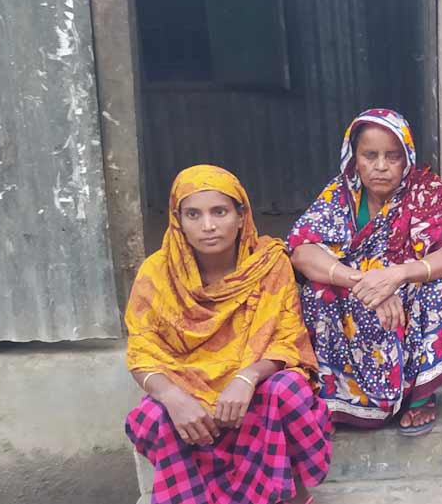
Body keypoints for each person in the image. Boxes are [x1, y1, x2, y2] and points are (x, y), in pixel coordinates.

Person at [125, 165, 331, 504]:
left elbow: (287, 339)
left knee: (287, 390)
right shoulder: (157, 273)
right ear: (178, 221)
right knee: (152, 415)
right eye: (193, 214)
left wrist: (247, 377)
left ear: (241, 216)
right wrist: (173, 397)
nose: (207, 225)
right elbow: (141, 352)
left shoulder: (269, 264)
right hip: (189, 394)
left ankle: (288, 496)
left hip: (253, 393)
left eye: (219, 212)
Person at [288, 108, 442, 434]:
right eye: (370, 155)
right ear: (354, 157)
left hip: (405, 293)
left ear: (407, 158)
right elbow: (301, 251)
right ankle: (342, 401)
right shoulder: (340, 193)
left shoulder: (424, 190)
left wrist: (395, 276)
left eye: (392, 156)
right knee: (315, 293)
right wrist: (364, 283)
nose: (380, 166)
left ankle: (420, 396)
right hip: (356, 291)